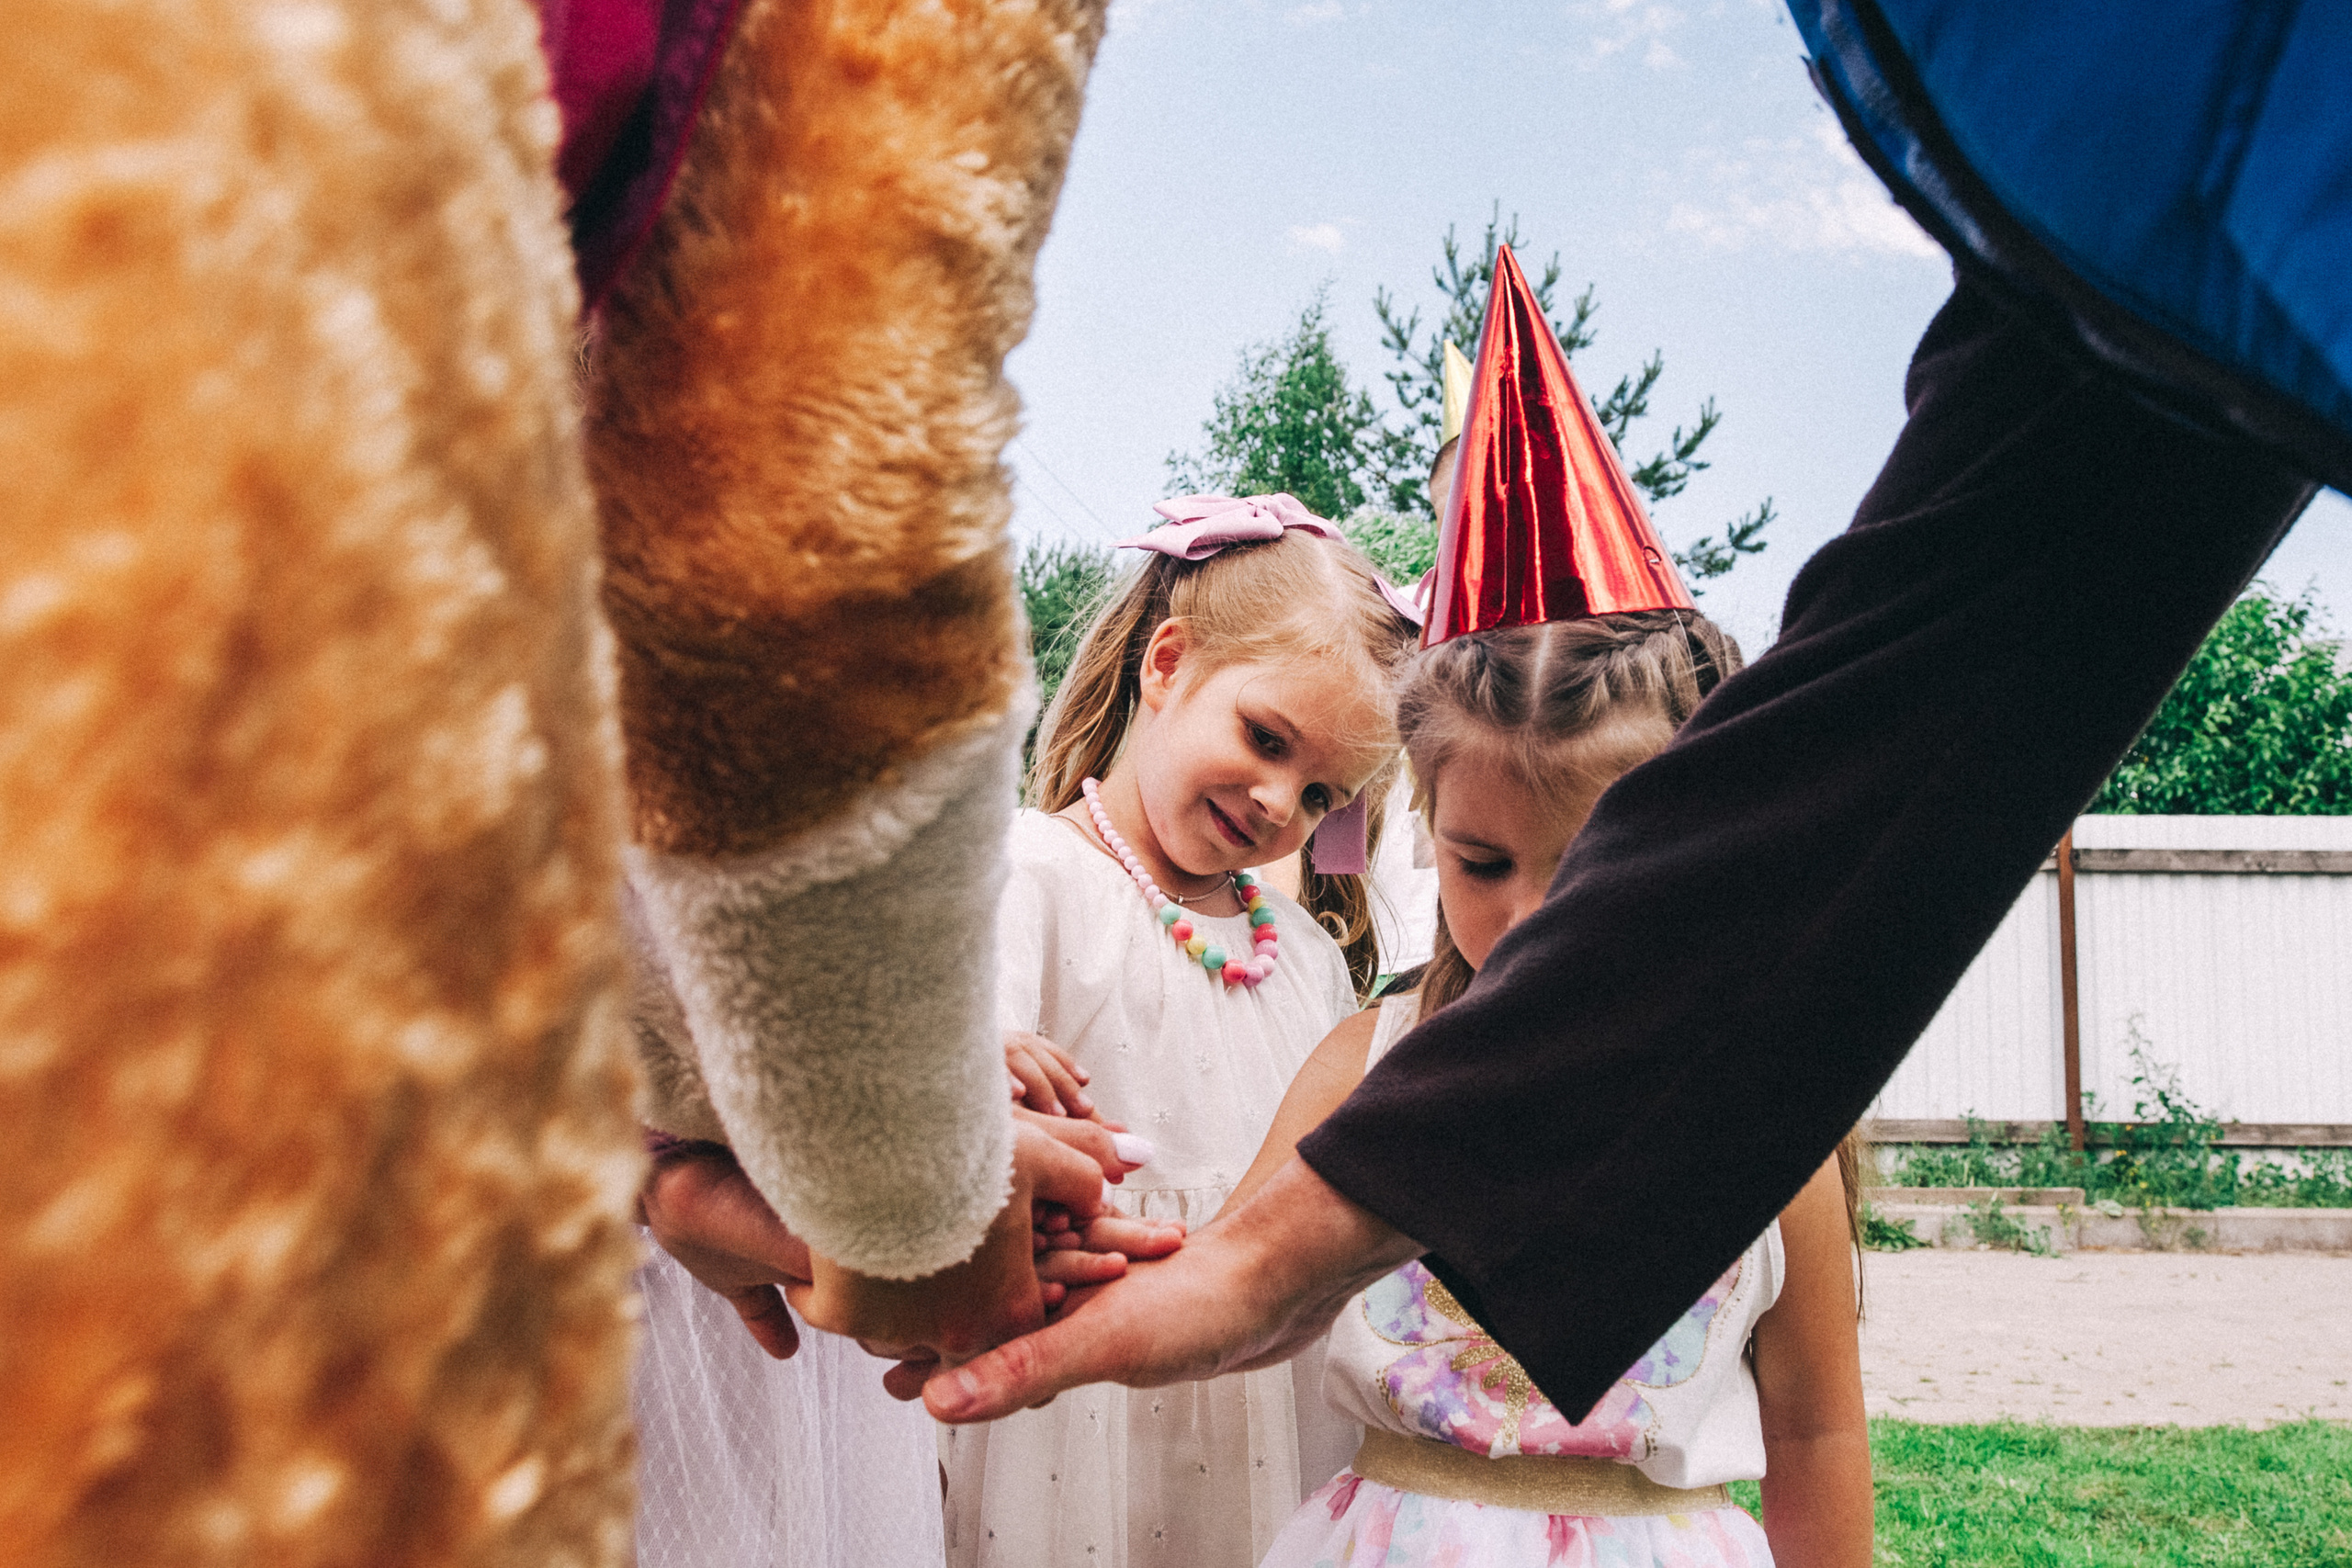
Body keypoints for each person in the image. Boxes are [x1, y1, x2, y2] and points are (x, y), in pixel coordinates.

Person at [1234, 611, 1871, 1568]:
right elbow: (1229, 1283)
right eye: (1480, 864)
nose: (1530, 920)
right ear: (1426, 828)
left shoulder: (1765, 1126)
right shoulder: (1361, 1072)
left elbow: (1816, 1430)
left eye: (1591, 866)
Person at [938, 494, 1420, 1567]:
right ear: (1166, 663)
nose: (1276, 802)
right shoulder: (1031, 873)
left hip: (1262, 1367)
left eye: (1319, 791)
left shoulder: (1298, 951)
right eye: (1264, 739)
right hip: (1079, 1380)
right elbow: (950, 1078)